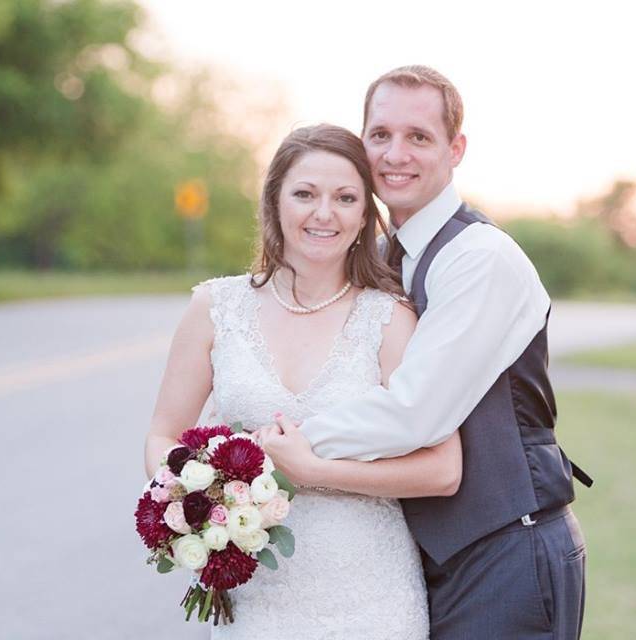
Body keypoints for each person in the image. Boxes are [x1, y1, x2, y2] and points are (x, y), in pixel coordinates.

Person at [259, 66, 590, 639]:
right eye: (380, 134)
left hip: (507, 550)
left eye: (419, 137)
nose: (395, 154)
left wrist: (275, 445)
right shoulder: (384, 256)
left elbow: (417, 412)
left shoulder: (479, 258)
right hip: (422, 562)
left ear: (455, 148)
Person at [145, 124, 464, 639]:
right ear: (273, 203)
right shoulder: (214, 308)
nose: (324, 213)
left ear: (364, 215)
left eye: (345, 198)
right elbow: (164, 435)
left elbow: (443, 469)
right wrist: (190, 508)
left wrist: (314, 471)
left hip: (369, 597)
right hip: (255, 600)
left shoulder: (388, 321)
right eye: (304, 194)